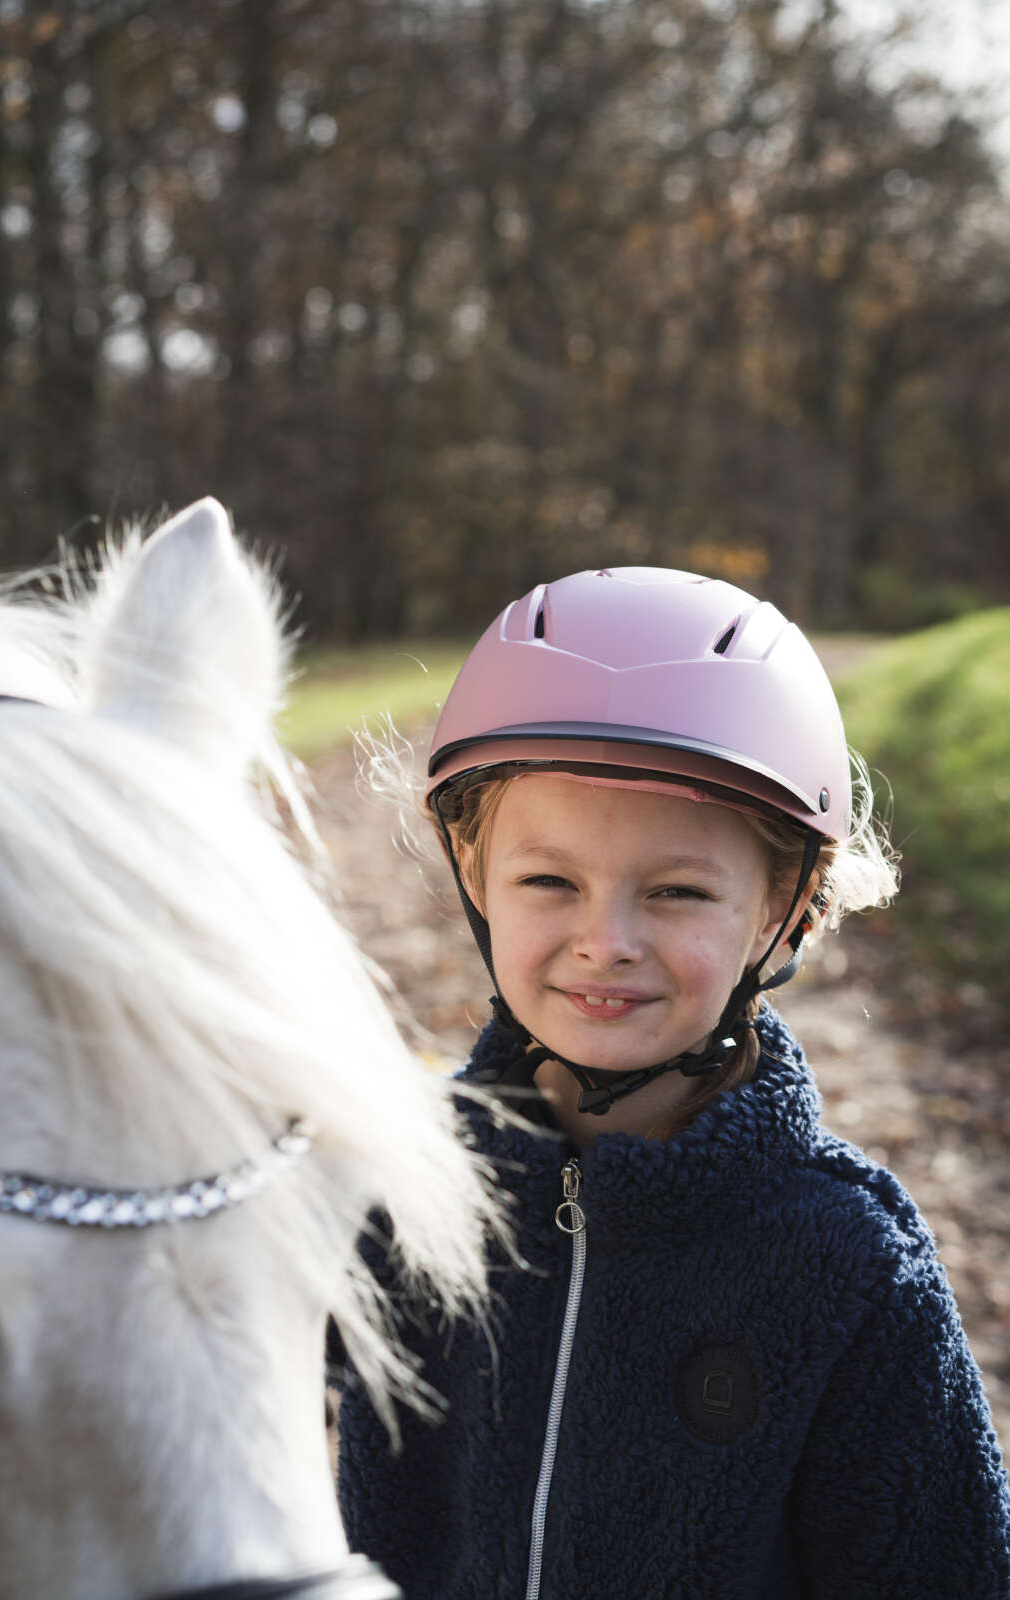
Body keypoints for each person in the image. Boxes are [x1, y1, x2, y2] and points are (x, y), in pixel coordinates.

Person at [334, 566, 1010, 1599]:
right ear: (473, 872)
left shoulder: (847, 1263)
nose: (605, 943)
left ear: (787, 907)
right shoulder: (402, 1197)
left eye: (676, 891)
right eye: (549, 881)